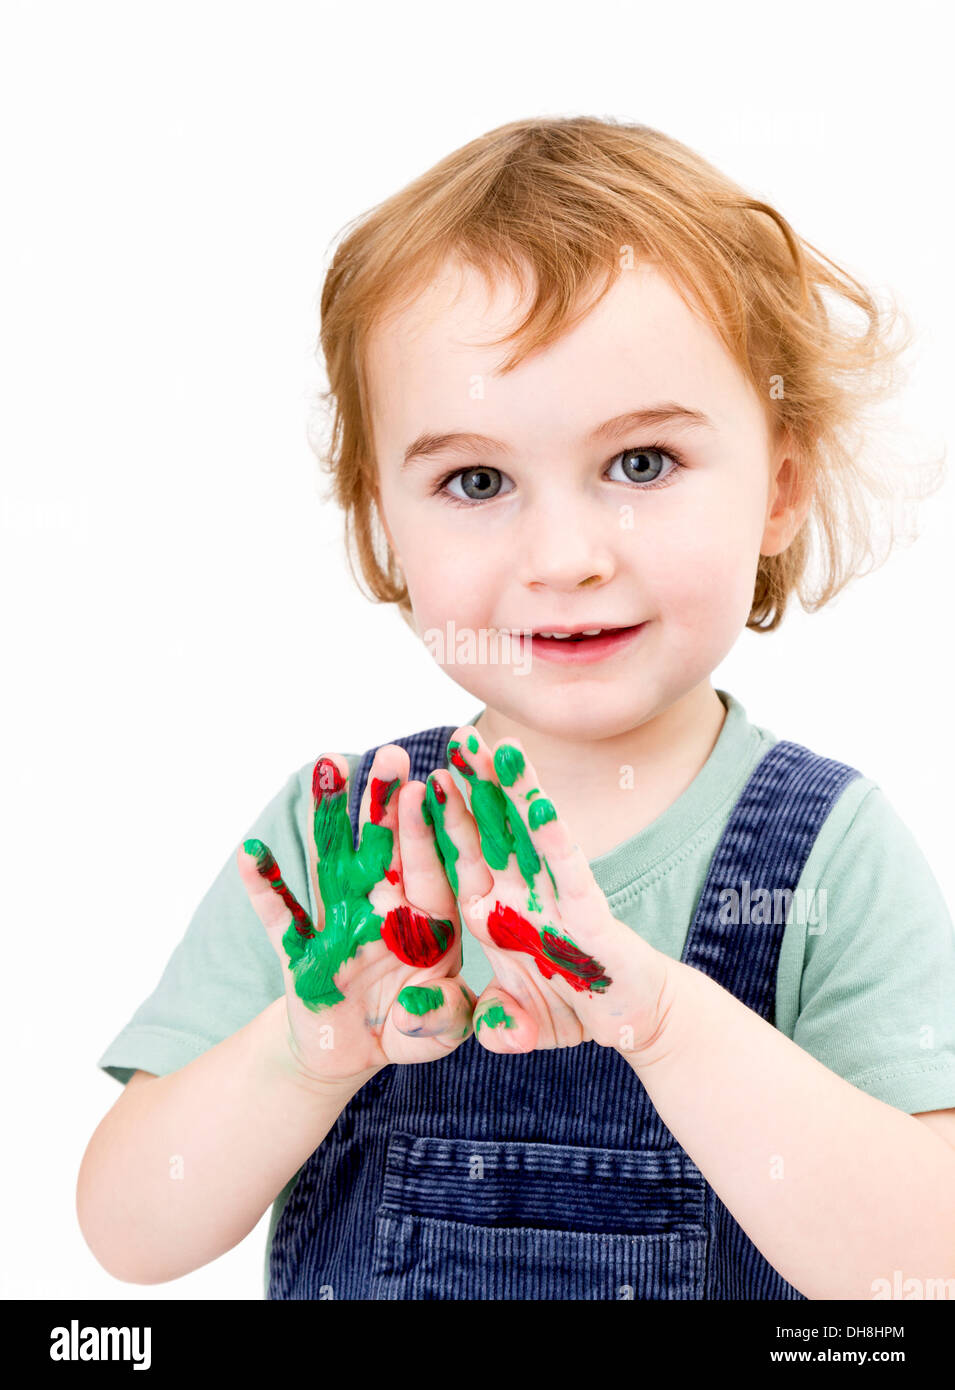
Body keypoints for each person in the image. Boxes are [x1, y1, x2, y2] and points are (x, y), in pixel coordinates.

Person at [77, 116, 955, 1300]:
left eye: (641, 463)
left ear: (781, 489)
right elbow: (130, 1236)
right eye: (476, 481)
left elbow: (922, 1267)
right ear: (383, 526)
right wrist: (304, 1053)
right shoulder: (343, 844)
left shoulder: (825, 858)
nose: (564, 555)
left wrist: (664, 1027)